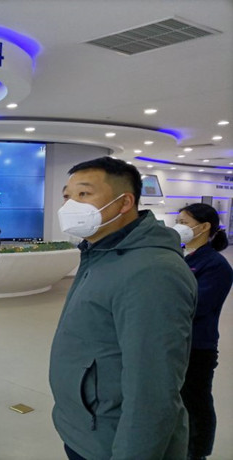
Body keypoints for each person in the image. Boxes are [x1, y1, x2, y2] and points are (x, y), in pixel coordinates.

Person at [49, 156, 198, 460]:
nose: (70, 205)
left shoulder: (152, 271)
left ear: (124, 202)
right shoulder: (101, 253)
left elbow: (152, 390)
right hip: (87, 429)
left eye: (84, 194)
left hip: (111, 440)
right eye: (67, 196)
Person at [173, 203, 233, 460]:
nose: (179, 227)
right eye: (178, 222)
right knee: (178, 399)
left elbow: (196, 305)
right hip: (174, 343)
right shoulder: (180, 257)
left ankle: (197, 452)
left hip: (197, 346)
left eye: (184, 223)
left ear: (205, 226)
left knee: (196, 401)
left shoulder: (216, 265)